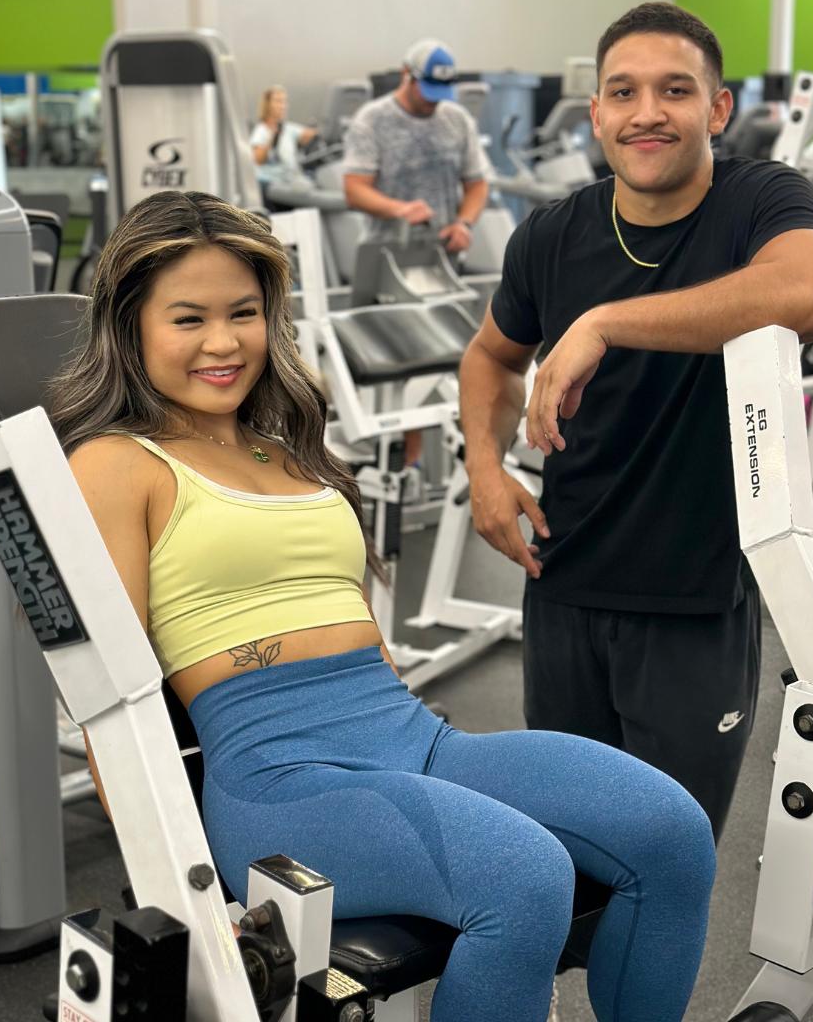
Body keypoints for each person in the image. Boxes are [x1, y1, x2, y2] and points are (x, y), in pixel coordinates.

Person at [49, 189, 716, 1022]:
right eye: (188, 319)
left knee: (672, 833)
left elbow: (353, 624)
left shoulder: (286, 445)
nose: (223, 343)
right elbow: (107, 704)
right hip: (281, 781)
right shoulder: (116, 463)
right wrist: (174, 882)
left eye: (243, 313)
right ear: (133, 327)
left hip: (410, 740)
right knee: (523, 877)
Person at [460, 2, 813, 844]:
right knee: (559, 846)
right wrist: (483, 472)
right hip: (563, 582)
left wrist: (602, 322)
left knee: (666, 858)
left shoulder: (759, 200)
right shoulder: (551, 234)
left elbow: (806, 293)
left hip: (692, 599)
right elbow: (490, 357)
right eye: (623, 93)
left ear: (716, 108)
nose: (646, 113)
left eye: (674, 91)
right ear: (596, 113)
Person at [342, 37, 490, 255]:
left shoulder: (458, 119)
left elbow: (477, 184)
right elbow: (354, 189)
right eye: (428, 89)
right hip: (385, 251)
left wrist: (463, 223)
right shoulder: (371, 119)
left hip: (441, 250)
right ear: (406, 74)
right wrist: (400, 209)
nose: (434, 100)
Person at [250, 85, 321, 206]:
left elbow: (307, 135)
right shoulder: (261, 131)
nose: (283, 106)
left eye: (284, 101)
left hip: (289, 182)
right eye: (278, 101)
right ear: (267, 105)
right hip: (270, 186)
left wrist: (319, 130)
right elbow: (258, 160)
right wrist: (271, 140)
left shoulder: (288, 128)